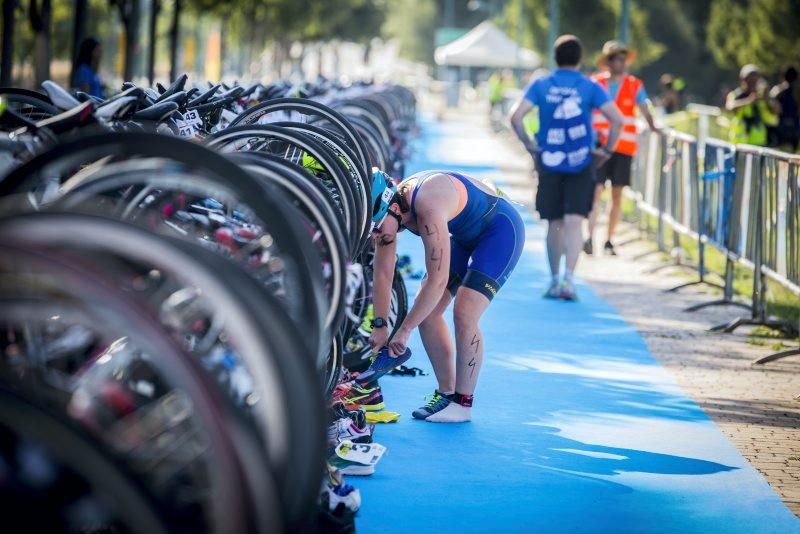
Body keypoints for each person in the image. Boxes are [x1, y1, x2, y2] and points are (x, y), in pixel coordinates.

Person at [366, 168, 525, 423]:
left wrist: (404, 330)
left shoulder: (427, 202)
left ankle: (463, 404)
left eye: (378, 228)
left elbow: (438, 281)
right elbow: (383, 275)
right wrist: (381, 325)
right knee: (428, 314)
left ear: (393, 209)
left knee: (465, 312)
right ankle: (446, 394)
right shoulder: (390, 214)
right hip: (464, 237)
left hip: (500, 231)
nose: (377, 236)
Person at [509, 34, 623, 300]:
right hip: (581, 162)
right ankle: (569, 281)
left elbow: (515, 117)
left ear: (555, 58)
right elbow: (617, 120)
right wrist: (606, 152)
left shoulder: (541, 85)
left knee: (554, 223)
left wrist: (530, 146)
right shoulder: (590, 86)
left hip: (549, 162)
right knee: (575, 222)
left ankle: (553, 279)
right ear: (580, 59)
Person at [586, 40, 660, 256]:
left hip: (624, 148)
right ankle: (589, 237)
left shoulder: (635, 84)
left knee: (617, 196)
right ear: (608, 62)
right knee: (595, 193)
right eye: (616, 58)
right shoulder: (596, 83)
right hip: (600, 147)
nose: (620, 62)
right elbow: (588, 112)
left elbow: (644, 107)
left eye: (623, 58)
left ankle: (609, 240)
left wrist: (654, 127)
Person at [725, 64, 778, 146]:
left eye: (756, 79)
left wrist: (767, 99)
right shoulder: (737, 95)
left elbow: (776, 110)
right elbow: (729, 107)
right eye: (750, 79)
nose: (753, 82)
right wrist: (748, 101)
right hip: (740, 144)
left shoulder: (762, 97)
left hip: (760, 144)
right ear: (743, 80)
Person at [769, 65, 800, 151]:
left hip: (782, 128)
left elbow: (771, 104)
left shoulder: (778, 90)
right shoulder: (796, 91)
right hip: (794, 128)